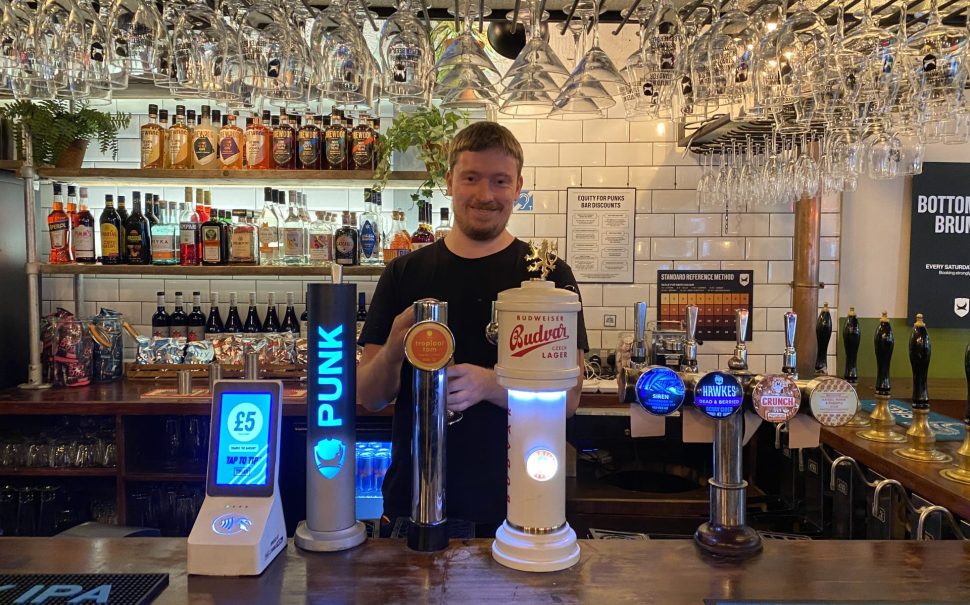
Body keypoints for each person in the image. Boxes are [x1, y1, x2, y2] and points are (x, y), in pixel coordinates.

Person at [357, 121, 588, 538]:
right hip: (414, 505)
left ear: (518, 186)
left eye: (500, 181)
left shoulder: (548, 274)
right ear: (449, 182)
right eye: (471, 178)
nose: (485, 195)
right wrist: (394, 345)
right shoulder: (404, 273)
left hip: (518, 507)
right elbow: (369, 396)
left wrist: (491, 385)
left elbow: (569, 399)